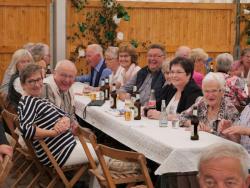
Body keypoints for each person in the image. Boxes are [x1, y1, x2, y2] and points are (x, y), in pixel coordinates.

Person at [18, 63, 96, 167]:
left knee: (99, 152)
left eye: (38, 80)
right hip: (58, 153)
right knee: (101, 154)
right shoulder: (28, 102)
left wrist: (65, 120)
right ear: (23, 85)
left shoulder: (37, 99)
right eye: (31, 81)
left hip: (65, 146)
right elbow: (27, 129)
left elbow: (64, 114)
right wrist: (53, 133)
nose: (36, 84)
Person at [42, 60, 79, 129]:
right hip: (50, 134)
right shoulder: (47, 87)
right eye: (63, 75)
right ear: (54, 73)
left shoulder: (69, 88)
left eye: (71, 76)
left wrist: (75, 124)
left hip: (64, 131)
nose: (67, 80)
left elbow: (71, 114)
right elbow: (50, 121)